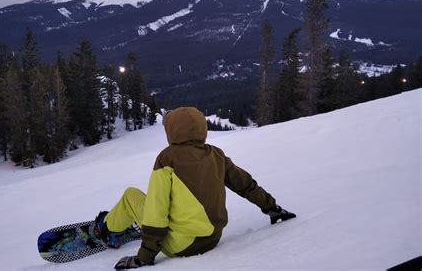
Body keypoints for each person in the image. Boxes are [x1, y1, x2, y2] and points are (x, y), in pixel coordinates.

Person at [95, 107, 296, 269]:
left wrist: (143, 258)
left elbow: (156, 213)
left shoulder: (167, 158)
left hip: (181, 245)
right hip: (213, 238)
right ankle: (124, 224)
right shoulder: (216, 154)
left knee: (132, 195)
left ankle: (107, 230)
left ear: (171, 131)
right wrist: (272, 207)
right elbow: (245, 184)